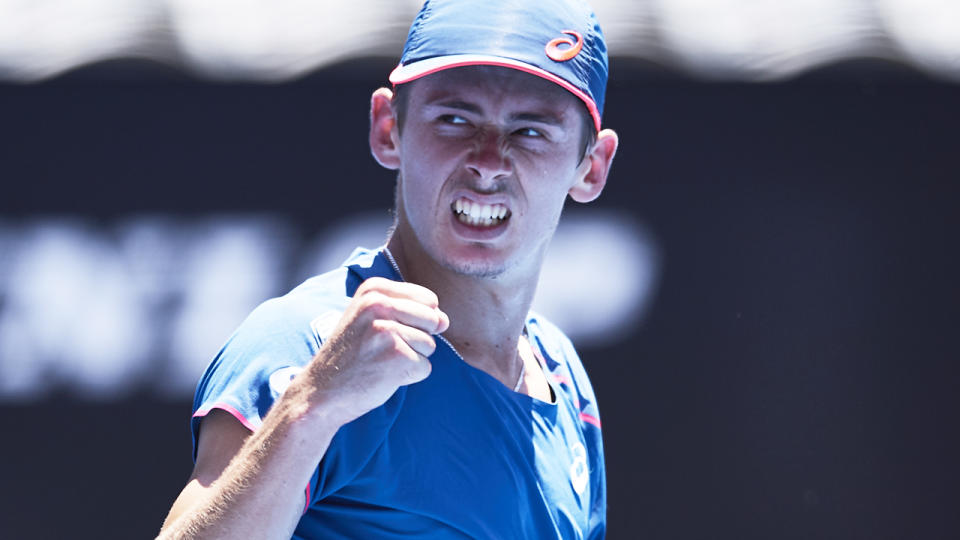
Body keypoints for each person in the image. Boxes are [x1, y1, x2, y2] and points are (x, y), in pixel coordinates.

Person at [158, 0, 618, 537]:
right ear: (387, 129)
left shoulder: (561, 372)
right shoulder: (303, 345)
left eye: (530, 131)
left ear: (592, 167)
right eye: (454, 119)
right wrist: (310, 406)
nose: (488, 161)